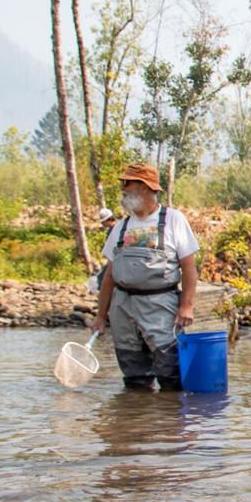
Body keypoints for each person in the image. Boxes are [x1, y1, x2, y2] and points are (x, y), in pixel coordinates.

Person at [90, 164, 201, 390]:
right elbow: (110, 274)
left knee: (171, 371)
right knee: (134, 376)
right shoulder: (121, 227)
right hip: (122, 307)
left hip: (160, 305)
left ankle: (169, 423)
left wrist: (186, 306)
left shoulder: (173, 219)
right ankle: (136, 422)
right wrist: (101, 316)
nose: (123, 189)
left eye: (127, 184)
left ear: (145, 188)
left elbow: (189, 268)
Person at [86, 209, 119, 294]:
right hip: (115, 258)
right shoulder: (115, 228)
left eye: (103, 222)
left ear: (108, 220)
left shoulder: (115, 230)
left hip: (117, 258)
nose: (102, 224)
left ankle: (102, 292)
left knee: (104, 275)